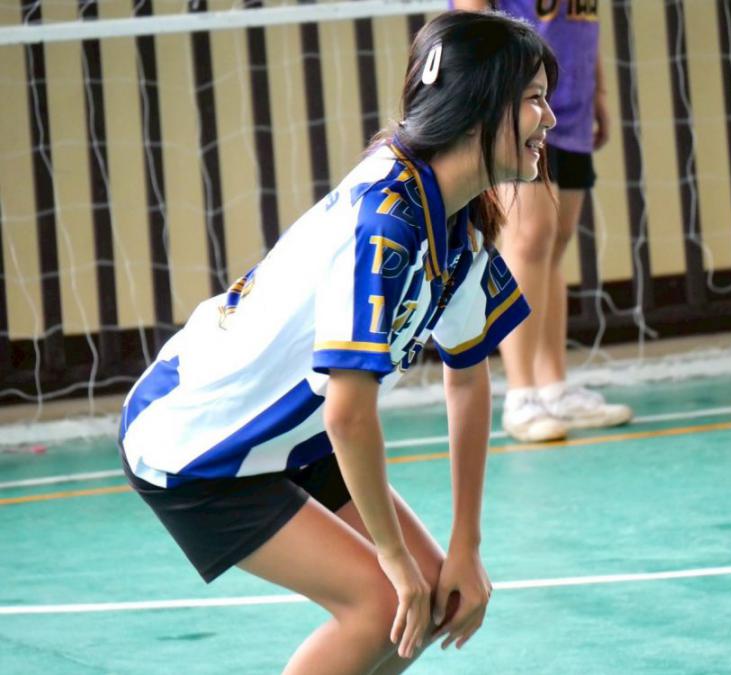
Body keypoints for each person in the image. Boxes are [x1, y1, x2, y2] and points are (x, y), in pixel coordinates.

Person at [118, 11, 558, 675]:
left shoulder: (456, 221)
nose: (549, 118)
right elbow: (348, 416)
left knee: (430, 600)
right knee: (386, 603)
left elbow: (468, 375)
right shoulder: (386, 225)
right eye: (532, 99)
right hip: (196, 442)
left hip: (284, 435)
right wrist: (394, 558)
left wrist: (465, 545)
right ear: (477, 108)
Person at [453, 0, 633, 442]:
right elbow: (472, 24)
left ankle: (554, 388)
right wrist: (492, 105)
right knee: (529, 238)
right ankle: (521, 395)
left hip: (571, 104)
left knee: (555, 243)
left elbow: (583, 22)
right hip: (514, 104)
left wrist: (599, 92)